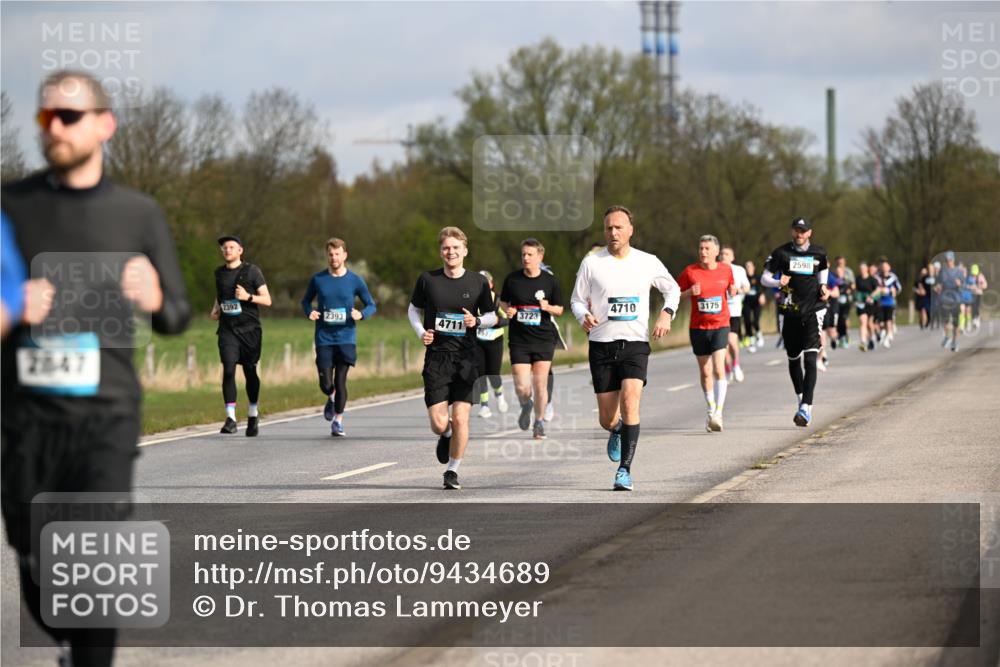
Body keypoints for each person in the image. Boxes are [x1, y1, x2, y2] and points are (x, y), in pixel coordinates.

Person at [1, 70, 190, 667]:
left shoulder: (137, 213)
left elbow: (179, 314)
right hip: (26, 419)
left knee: (95, 557)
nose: (54, 127)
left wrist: (157, 298)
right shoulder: (11, 206)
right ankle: (72, 643)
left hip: (106, 416)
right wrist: (12, 310)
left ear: (104, 124)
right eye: (45, 117)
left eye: (69, 115)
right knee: (35, 559)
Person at [570, 205, 679, 491]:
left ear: (630, 230)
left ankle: (624, 470)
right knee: (607, 418)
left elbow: (673, 289)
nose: (613, 232)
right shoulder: (592, 263)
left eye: (619, 227)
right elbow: (577, 300)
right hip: (601, 344)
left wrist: (666, 313)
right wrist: (583, 316)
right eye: (608, 227)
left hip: (634, 343)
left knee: (631, 402)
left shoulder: (647, 261)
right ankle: (617, 430)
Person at [408, 226, 496, 490]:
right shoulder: (428, 280)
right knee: (438, 423)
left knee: (461, 418)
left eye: (456, 248)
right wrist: (422, 332)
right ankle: (445, 435)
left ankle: (452, 470)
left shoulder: (477, 282)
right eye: (446, 248)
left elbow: (492, 317)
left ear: (465, 251)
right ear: (441, 251)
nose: (451, 252)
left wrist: (477, 320)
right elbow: (413, 310)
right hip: (437, 358)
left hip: (467, 358)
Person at [300, 237, 376, 436]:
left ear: (345, 255)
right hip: (324, 337)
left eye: (337, 254)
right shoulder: (318, 279)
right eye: (330, 254)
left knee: (341, 380)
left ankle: (338, 421)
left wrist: (362, 314)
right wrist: (310, 312)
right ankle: (330, 397)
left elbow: (371, 304)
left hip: (346, 337)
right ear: (327, 256)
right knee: (326, 383)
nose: (334, 258)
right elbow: (305, 301)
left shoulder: (355, 280)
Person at [762, 217, 830, 427]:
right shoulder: (781, 253)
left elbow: (824, 269)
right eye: (796, 230)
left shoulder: (819, 253)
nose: (800, 234)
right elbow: (764, 277)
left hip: (813, 311)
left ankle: (806, 408)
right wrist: (777, 281)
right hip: (789, 312)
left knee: (810, 359)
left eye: (803, 231)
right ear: (792, 232)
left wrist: (824, 286)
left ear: (809, 233)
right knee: (793, 359)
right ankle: (801, 399)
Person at [500, 238, 564, 439]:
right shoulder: (513, 280)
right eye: (523, 254)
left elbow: (560, 309)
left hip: (544, 339)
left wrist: (547, 307)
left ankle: (539, 422)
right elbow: (503, 302)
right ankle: (525, 405)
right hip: (519, 340)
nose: (526, 258)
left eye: (530, 254)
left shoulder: (550, 281)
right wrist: (507, 311)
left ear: (540, 256)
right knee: (521, 386)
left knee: (540, 384)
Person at [211, 235, 271, 436]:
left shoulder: (252, 271)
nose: (227, 250)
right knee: (228, 369)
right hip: (228, 330)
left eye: (231, 247)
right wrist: (216, 309)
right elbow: (221, 295)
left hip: (250, 330)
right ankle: (231, 418)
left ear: (240, 251)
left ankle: (253, 413)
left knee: (249, 371)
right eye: (224, 248)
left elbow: (268, 300)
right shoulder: (219, 273)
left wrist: (248, 297)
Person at [677, 236, 737, 432]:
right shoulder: (690, 271)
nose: (703, 252)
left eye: (707, 248)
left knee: (719, 368)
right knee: (705, 371)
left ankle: (719, 413)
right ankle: (710, 409)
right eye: (701, 248)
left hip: (720, 324)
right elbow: (675, 294)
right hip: (698, 327)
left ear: (716, 252)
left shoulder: (725, 270)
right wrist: (688, 293)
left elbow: (731, 287)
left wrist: (733, 289)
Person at [473, 270, 509, 419]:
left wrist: (494, 322)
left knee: (493, 374)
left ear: (491, 284)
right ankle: (485, 406)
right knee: (481, 374)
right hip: (477, 341)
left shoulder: (497, 300)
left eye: (485, 282)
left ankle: (499, 394)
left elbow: (507, 318)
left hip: (494, 341)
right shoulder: (471, 299)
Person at [719, 246, 749, 382]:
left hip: (734, 310)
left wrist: (738, 290)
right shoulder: (715, 269)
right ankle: (727, 368)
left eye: (726, 254)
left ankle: (736, 365)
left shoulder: (739, 270)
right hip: (719, 311)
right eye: (721, 254)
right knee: (722, 344)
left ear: (732, 257)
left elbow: (747, 287)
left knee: (732, 341)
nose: (723, 256)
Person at [937, 251, 965, 352]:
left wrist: (959, 284)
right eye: (947, 260)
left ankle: (955, 341)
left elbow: (964, 285)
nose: (949, 262)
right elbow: (939, 284)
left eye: (950, 260)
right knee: (945, 320)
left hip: (956, 299)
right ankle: (947, 337)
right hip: (945, 299)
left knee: (955, 323)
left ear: (953, 260)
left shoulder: (959, 271)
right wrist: (938, 288)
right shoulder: (942, 271)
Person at [873, 257, 901, 349]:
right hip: (880, 302)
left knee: (888, 321)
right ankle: (883, 332)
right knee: (880, 321)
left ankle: (887, 338)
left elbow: (899, 288)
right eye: (882, 266)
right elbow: (874, 288)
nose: (884, 268)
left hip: (889, 302)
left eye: (886, 266)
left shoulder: (893, 277)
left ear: (889, 267)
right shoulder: (877, 277)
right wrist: (880, 291)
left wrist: (892, 291)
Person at [854, 262, 879, 352]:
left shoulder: (872, 279)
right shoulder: (857, 279)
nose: (861, 270)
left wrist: (871, 296)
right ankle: (863, 341)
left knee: (869, 323)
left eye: (863, 269)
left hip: (870, 304)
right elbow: (855, 289)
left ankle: (871, 338)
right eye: (860, 269)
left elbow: (877, 290)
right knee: (862, 322)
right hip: (861, 303)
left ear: (867, 269)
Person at [742, 259, 765, 351]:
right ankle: (751, 342)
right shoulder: (743, 278)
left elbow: (763, 288)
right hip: (746, 302)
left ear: (753, 267)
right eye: (747, 267)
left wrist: (762, 295)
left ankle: (759, 334)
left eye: (750, 266)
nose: (748, 268)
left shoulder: (758, 278)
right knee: (747, 321)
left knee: (755, 321)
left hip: (756, 302)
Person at [834, 257, 854, 347]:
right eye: (838, 262)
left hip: (846, 301)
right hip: (836, 302)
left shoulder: (848, 272)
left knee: (844, 318)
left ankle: (846, 335)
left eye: (841, 262)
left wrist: (849, 290)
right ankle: (839, 336)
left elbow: (852, 285)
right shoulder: (834, 276)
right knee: (838, 319)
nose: (840, 263)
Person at [914, 265, 933, 330]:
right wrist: (918, 291)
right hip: (921, 298)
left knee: (927, 310)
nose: (923, 274)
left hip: (928, 297)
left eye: (924, 273)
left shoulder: (930, 279)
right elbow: (915, 287)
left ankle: (927, 321)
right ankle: (922, 322)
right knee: (922, 310)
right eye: (922, 273)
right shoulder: (919, 280)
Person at [969, 264, 988, 331]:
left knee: (976, 307)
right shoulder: (970, 277)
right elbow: (968, 285)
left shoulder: (980, 276)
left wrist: (979, 286)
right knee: (973, 307)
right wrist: (970, 287)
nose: (974, 275)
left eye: (975, 273)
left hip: (978, 294)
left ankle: (977, 320)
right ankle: (974, 319)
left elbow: (985, 285)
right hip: (972, 294)